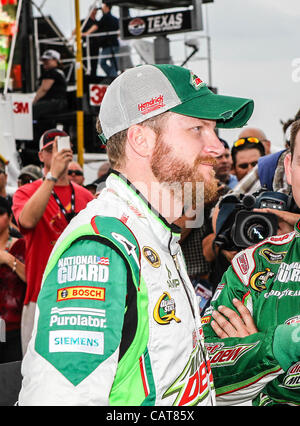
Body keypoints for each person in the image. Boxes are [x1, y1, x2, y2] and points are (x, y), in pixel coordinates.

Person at [18, 63, 254, 406]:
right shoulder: (101, 249)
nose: (218, 147)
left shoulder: (155, 233)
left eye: (214, 131)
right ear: (141, 140)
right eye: (197, 129)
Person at [201, 118, 300, 406]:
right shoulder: (253, 264)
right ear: (290, 168)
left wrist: (252, 353)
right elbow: (201, 374)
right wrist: (278, 344)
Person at [12, 129, 94, 355]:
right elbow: (27, 221)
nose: (58, 153)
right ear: (41, 156)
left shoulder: (85, 196)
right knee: (33, 371)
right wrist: (51, 176)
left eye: (62, 147)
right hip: (41, 295)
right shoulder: (25, 192)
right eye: (51, 149)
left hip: (81, 295)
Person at [0, 197, 26, 363]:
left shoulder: (21, 245)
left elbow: (33, 279)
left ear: (10, 217)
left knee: (11, 381)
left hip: (14, 328)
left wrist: (9, 260)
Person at [82, 3, 119, 77]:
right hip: (115, 44)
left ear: (107, 7)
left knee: (102, 62)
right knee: (113, 63)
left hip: (108, 45)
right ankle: (114, 76)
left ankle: (112, 76)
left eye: (103, 6)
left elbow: (96, 26)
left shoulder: (105, 17)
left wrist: (86, 33)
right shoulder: (115, 19)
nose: (102, 8)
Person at [32, 49, 67, 120]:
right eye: (44, 60)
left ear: (55, 60)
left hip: (55, 102)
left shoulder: (52, 73)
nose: (45, 62)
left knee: (31, 110)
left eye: (47, 60)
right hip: (58, 102)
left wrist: (33, 101)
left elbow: (44, 89)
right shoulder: (59, 72)